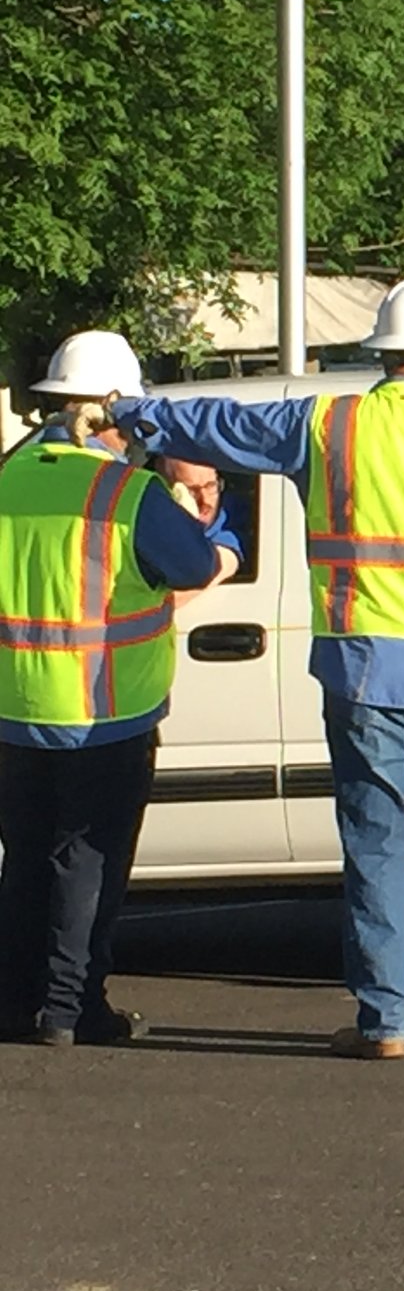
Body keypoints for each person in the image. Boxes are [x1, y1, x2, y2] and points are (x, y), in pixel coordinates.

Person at [102, 278, 404, 1059]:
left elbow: (225, 426)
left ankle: (385, 1021)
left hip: (360, 670)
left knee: (375, 844)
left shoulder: (327, 422)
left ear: (383, 357)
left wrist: (137, 411)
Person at [0, 332, 224, 1046]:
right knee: (86, 869)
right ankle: (71, 1008)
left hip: (11, 712)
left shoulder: (6, 477)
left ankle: (13, 1001)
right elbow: (191, 566)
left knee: (27, 862)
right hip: (106, 712)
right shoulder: (128, 491)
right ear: (107, 410)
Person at [157, 458, 243, 603]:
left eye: (211, 486)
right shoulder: (147, 518)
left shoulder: (233, 519)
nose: (205, 501)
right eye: (191, 491)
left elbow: (220, 566)